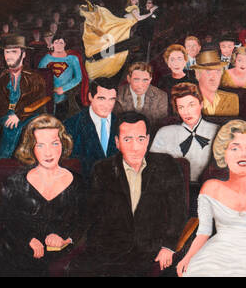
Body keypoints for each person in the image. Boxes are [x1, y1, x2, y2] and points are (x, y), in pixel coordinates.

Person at [69, 111, 186, 276]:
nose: (135, 146)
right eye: (127, 139)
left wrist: (168, 247)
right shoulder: (102, 169)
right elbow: (91, 212)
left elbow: (178, 211)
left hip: (151, 249)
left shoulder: (167, 165)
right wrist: (71, 237)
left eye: (140, 139)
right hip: (110, 249)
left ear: (148, 140)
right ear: (117, 142)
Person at [177, 120, 246, 277]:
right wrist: (187, 258)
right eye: (235, 148)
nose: (243, 154)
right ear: (224, 153)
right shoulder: (211, 188)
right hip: (213, 253)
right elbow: (203, 232)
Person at [0, 114, 84, 275]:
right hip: (18, 255)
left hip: (58, 257)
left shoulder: (78, 183)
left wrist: (65, 239)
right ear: (31, 147)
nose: (48, 152)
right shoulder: (15, 182)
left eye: (54, 143)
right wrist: (27, 240)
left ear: (63, 144)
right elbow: (6, 221)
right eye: (40, 145)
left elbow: (85, 221)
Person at [0, 35, 51, 162]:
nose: (9, 56)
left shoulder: (35, 78)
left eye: (14, 52)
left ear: (23, 54)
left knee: (10, 127)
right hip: (3, 113)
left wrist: (18, 115)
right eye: (7, 52)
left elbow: (38, 103)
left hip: (29, 115)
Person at [151, 83, 218, 183]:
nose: (187, 112)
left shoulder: (217, 130)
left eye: (191, 105)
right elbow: (153, 169)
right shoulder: (164, 133)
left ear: (201, 104)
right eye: (181, 107)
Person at [62, 76, 119, 182]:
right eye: (101, 98)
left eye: (111, 99)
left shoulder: (121, 124)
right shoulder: (71, 125)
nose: (107, 105)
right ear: (90, 97)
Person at [38, 37, 82, 115]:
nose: (58, 45)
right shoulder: (46, 59)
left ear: (65, 44)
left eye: (61, 43)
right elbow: (39, 76)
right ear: (52, 44)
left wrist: (63, 88)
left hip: (66, 97)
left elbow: (78, 78)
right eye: (56, 43)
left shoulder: (72, 59)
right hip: (49, 97)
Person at [191, 50, 239, 118]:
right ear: (197, 74)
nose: (214, 77)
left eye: (218, 71)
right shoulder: (188, 100)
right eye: (208, 72)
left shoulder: (231, 99)